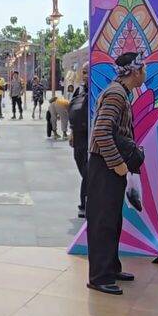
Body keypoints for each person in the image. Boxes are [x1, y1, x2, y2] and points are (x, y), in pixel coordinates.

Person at [85, 52, 146, 295]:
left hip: (108, 164)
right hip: (105, 165)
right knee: (103, 221)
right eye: (143, 68)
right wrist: (118, 163)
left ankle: (110, 267)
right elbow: (101, 131)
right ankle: (99, 276)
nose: (145, 73)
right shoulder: (116, 94)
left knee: (112, 219)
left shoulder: (120, 92)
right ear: (135, 71)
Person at [69, 66, 91, 218]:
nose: (85, 75)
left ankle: (85, 204)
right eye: (84, 72)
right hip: (78, 135)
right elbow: (73, 111)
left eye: (88, 72)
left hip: (90, 135)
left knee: (88, 171)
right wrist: (71, 132)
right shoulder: (79, 91)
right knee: (82, 168)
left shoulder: (98, 91)